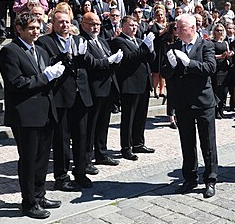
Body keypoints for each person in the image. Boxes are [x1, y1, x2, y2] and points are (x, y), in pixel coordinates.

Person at [0, 12, 64, 219]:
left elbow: (46, 79)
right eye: (31, 28)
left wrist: (55, 73)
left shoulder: (41, 50)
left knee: (43, 158)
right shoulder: (10, 51)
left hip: (45, 111)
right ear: (19, 29)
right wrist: (45, 77)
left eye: (38, 28)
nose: (36, 32)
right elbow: (16, 83)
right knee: (28, 159)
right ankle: (28, 202)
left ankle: (40, 194)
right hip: (25, 114)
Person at [36, 9, 94, 190]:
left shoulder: (78, 40)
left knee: (82, 136)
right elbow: (46, 64)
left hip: (81, 94)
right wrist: (62, 56)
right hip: (61, 95)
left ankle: (81, 172)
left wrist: (83, 56)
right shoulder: (45, 41)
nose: (65, 25)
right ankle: (61, 176)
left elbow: (89, 63)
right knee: (62, 138)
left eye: (67, 21)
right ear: (53, 24)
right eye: (60, 22)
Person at [162, 14, 218, 198]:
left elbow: (210, 68)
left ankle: (210, 179)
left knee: (207, 143)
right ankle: (190, 178)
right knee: (187, 143)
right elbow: (165, 72)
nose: (176, 31)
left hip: (203, 102)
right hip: (183, 103)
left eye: (180, 28)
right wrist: (170, 65)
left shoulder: (206, 45)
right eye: (176, 28)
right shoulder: (174, 46)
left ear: (192, 29)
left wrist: (189, 63)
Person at [80, 12, 123, 170]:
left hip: (108, 87)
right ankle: (86, 159)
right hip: (94, 88)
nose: (95, 27)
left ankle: (101, 153)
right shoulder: (82, 40)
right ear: (83, 24)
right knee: (91, 125)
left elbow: (109, 60)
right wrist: (108, 61)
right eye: (92, 24)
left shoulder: (102, 41)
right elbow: (90, 63)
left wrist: (115, 61)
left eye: (97, 24)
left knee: (103, 123)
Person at [109, 15, 156, 161]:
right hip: (130, 84)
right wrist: (144, 47)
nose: (134, 27)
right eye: (131, 25)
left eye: (135, 25)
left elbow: (150, 58)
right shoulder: (119, 40)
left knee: (141, 116)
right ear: (122, 26)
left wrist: (151, 48)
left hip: (143, 83)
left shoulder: (139, 41)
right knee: (128, 117)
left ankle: (138, 143)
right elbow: (129, 58)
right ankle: (126, 147)